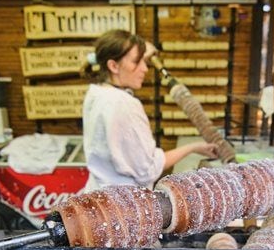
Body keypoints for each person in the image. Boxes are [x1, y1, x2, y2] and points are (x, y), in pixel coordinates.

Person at [81, 30, 218, 191]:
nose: (145, 68)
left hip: (98, 194)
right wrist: (193, 148)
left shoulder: (96, 93)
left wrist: (139, 51)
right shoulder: (124, 104)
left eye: (143, 60)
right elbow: (148, 171)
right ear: (113, 66)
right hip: (123, 201)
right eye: (137, 62)